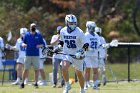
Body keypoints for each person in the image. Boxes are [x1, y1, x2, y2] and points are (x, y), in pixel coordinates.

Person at [60, 14, 89, 93]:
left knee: (79, 74)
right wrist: (59, 47)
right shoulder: (63, 31)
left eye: (74, 23)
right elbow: (62, 42)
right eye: (70, 23)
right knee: (64, 68)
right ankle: (67, 85)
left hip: (78, 55)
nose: (73, 25)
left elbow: (86, 44)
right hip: (67, 54)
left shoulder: (79, 32)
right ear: (66, 23)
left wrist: (81, 51)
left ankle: (82, 89)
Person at [20, 23, 45, 88]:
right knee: (26, 69)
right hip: (28, 54)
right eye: (32, 26)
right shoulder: (27, 35)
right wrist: (23, 45)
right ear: (30, 27)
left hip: (36, 55)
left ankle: (36, 83)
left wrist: (39, 45)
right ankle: (22, 83)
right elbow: (23, 42)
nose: (33, 27)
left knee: (36, 69)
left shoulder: (38, 35)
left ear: (35, 27)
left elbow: (43, 44)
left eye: (34, 26)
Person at [84, 21, 101, 90]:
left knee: (95, 70)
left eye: (94, 27)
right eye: (92, 27)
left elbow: (99, 44)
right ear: (88, 27)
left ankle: (95, 85)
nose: (94, 29)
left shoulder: (96, 35)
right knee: (87, 70)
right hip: (87, 55)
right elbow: (85, 46)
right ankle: (86, 84)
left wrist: (104, 45)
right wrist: (90, 49)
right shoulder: (86, 35)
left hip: (95, 55)